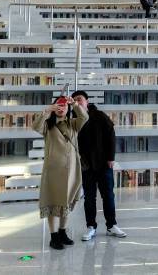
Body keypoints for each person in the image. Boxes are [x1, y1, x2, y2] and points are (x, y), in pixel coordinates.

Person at [32, 95, 89, 250]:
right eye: (58, 105)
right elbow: (35, 126)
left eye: (64, 106)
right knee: (51, 202)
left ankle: (63, 232)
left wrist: (75, 104)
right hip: (53, 171)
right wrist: (46, 111)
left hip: (72, 170)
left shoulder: (73, 124)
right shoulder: (47, 127)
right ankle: (53, 236)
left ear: (67, 108)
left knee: (67, 201)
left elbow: (84, 116)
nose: (61, 108)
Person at [72, 90, 127, 240]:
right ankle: (91, 227)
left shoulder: (99, 115)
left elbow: (111, 135)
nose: (77, 102)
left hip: (104, 164)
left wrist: (111, 157)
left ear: (87, 101)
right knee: (89, 198)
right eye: (74, 100)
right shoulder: (74, 120)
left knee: (108, 196)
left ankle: (111, 225)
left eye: (80, 99)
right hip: (86, 166)